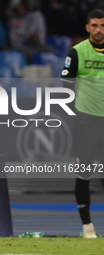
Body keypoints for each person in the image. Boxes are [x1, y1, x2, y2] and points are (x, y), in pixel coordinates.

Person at [61, 9, 104, 238]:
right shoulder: (76, 52)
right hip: (86, 122)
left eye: (102, 25)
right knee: (83, 174)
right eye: (94, 25)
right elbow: (66, 88)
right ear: (87, 27)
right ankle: (87, 227)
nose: (99, 30)